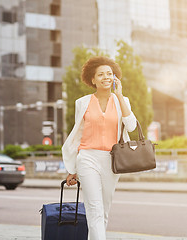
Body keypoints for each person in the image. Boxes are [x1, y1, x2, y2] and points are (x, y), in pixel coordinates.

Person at [62, 56, 137, 239]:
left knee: (103, 211)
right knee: (94, 208)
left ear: (115, 77)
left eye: (110, 74)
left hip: (113, 160)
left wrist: (119, 95)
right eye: (101, 74)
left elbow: (132, 126)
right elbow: (78, 135)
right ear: (93, 79)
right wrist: (73, 168)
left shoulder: (122, 101)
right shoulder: (83, 102)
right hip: (87, 157)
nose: (106, 77)